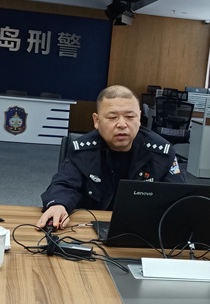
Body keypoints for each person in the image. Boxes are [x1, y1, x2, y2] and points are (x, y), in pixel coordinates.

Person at [36, 85, 185, 229]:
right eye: (113, 117)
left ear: (139, 117)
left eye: (130, 117)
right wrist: (58, 204)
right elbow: (65, 184)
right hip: (90, 227)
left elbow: (177, 196)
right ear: (96, 120)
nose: (122, 124)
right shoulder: (82, 150)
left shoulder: (161, 152)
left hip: (143, 227)